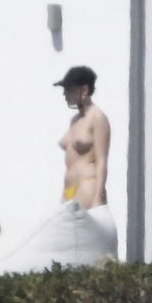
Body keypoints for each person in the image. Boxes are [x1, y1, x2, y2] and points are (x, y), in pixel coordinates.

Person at [54, 66, 111, 211]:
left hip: (86, 184)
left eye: (70, 90)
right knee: (60, 224)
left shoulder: (97, 118)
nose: (65, 94)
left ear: (84, 90)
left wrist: (99, 196)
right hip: (68, 188)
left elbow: (101, 161)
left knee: (75, 225)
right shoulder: (75, 120)